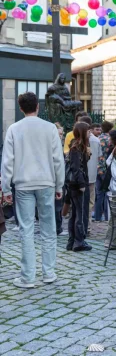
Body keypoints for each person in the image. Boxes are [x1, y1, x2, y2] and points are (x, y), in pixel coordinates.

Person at [1, 92, 65, 288]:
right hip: (46, 182)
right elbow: (58, 159)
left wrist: (5, 187)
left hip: (23, 184)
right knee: (48, 228)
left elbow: (7, 160)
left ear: (21, 108)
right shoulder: (50, 129)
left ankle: (28, 277)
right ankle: (49, 273)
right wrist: (59, 184)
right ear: (38, 106)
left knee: (26, 230)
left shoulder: (14, 129)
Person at [66, 122, 92, 252]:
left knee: (75, 213)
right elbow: (76, 169)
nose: (90, 133)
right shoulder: (76, 148)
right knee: (79, 214)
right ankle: (78, 241)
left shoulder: (80, 147)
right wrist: (82, 184)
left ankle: (72, 241)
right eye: (88, 131)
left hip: (75, 184)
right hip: (77, 185)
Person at [79, 116, 102, 235]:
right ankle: (86, 227)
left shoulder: (76, 139)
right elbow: (99, 157)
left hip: (79, 176)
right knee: (89, 202)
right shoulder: (96, 140)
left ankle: (80, 226)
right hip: (91, 175)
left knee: (78, 202)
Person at [96, 121, 114, 222]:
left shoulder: (97, 138)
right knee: (107, 194)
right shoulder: (109, 140)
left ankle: (98, 216)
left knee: (99, 194)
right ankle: (107, 217)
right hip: (105, 169)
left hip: (96, 168)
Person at [54, 122, 67, 237]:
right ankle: (57, 228)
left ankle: (58, 227)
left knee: (58, 205)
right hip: (54, 180)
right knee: (56, 206)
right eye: (58, 134)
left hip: (60, 179)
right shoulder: (54, 146)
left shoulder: (62, 145)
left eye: (62, 134)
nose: (60, 136)